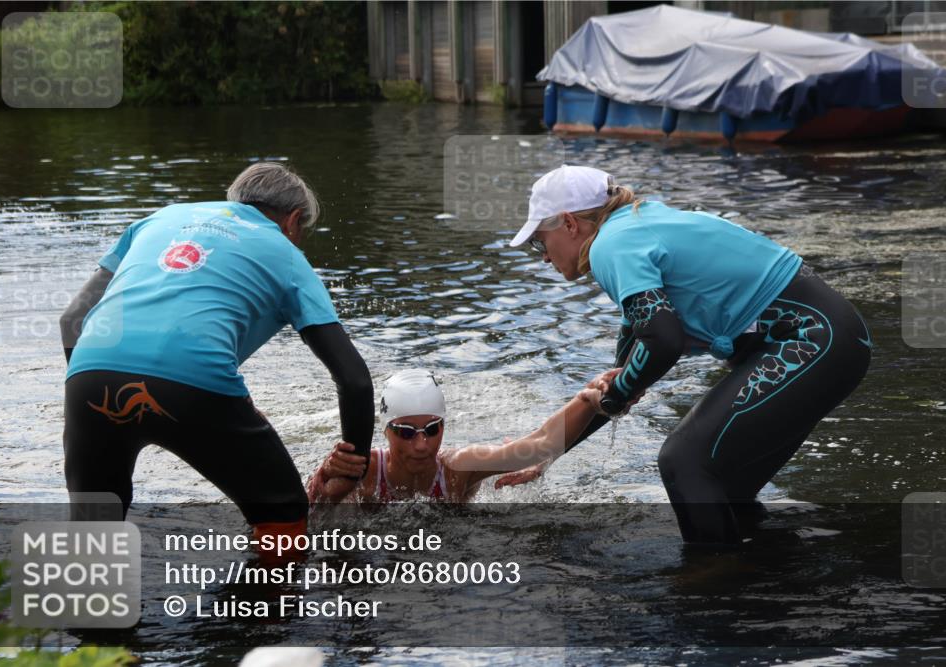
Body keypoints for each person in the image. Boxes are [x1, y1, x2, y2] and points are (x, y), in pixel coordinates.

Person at [507, 165, 872, 546]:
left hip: (813, 339)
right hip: (832, 339)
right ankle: (766, 580)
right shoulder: (633, 228)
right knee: (723, 488)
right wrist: (550, 453)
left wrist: (615, 398)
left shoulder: (610, 247)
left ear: (569, 224)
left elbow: (663, 343)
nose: (543, 257)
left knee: (684, 462)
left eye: (539, 241)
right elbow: (628, 373)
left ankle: (710, 590)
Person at [59, 162, 374, 545]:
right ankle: (263, 602)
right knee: (285, 511)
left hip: (90, 372)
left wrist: (95, 390)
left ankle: (65, 602)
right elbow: (353, 379)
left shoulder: (163, 217)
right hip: (193, 382)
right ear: (293, 221)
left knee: (95, 520)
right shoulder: (286, 253)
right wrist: (353, 467)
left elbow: (73, 319)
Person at [308, 368, 633, 503]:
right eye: (406, 432)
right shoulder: (364, 472)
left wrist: (586, 399)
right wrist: (323, 482)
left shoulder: (456, 468)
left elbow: (539, 444)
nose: (421, 445)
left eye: (432, 430)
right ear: (386, 431)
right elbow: (311, 519)